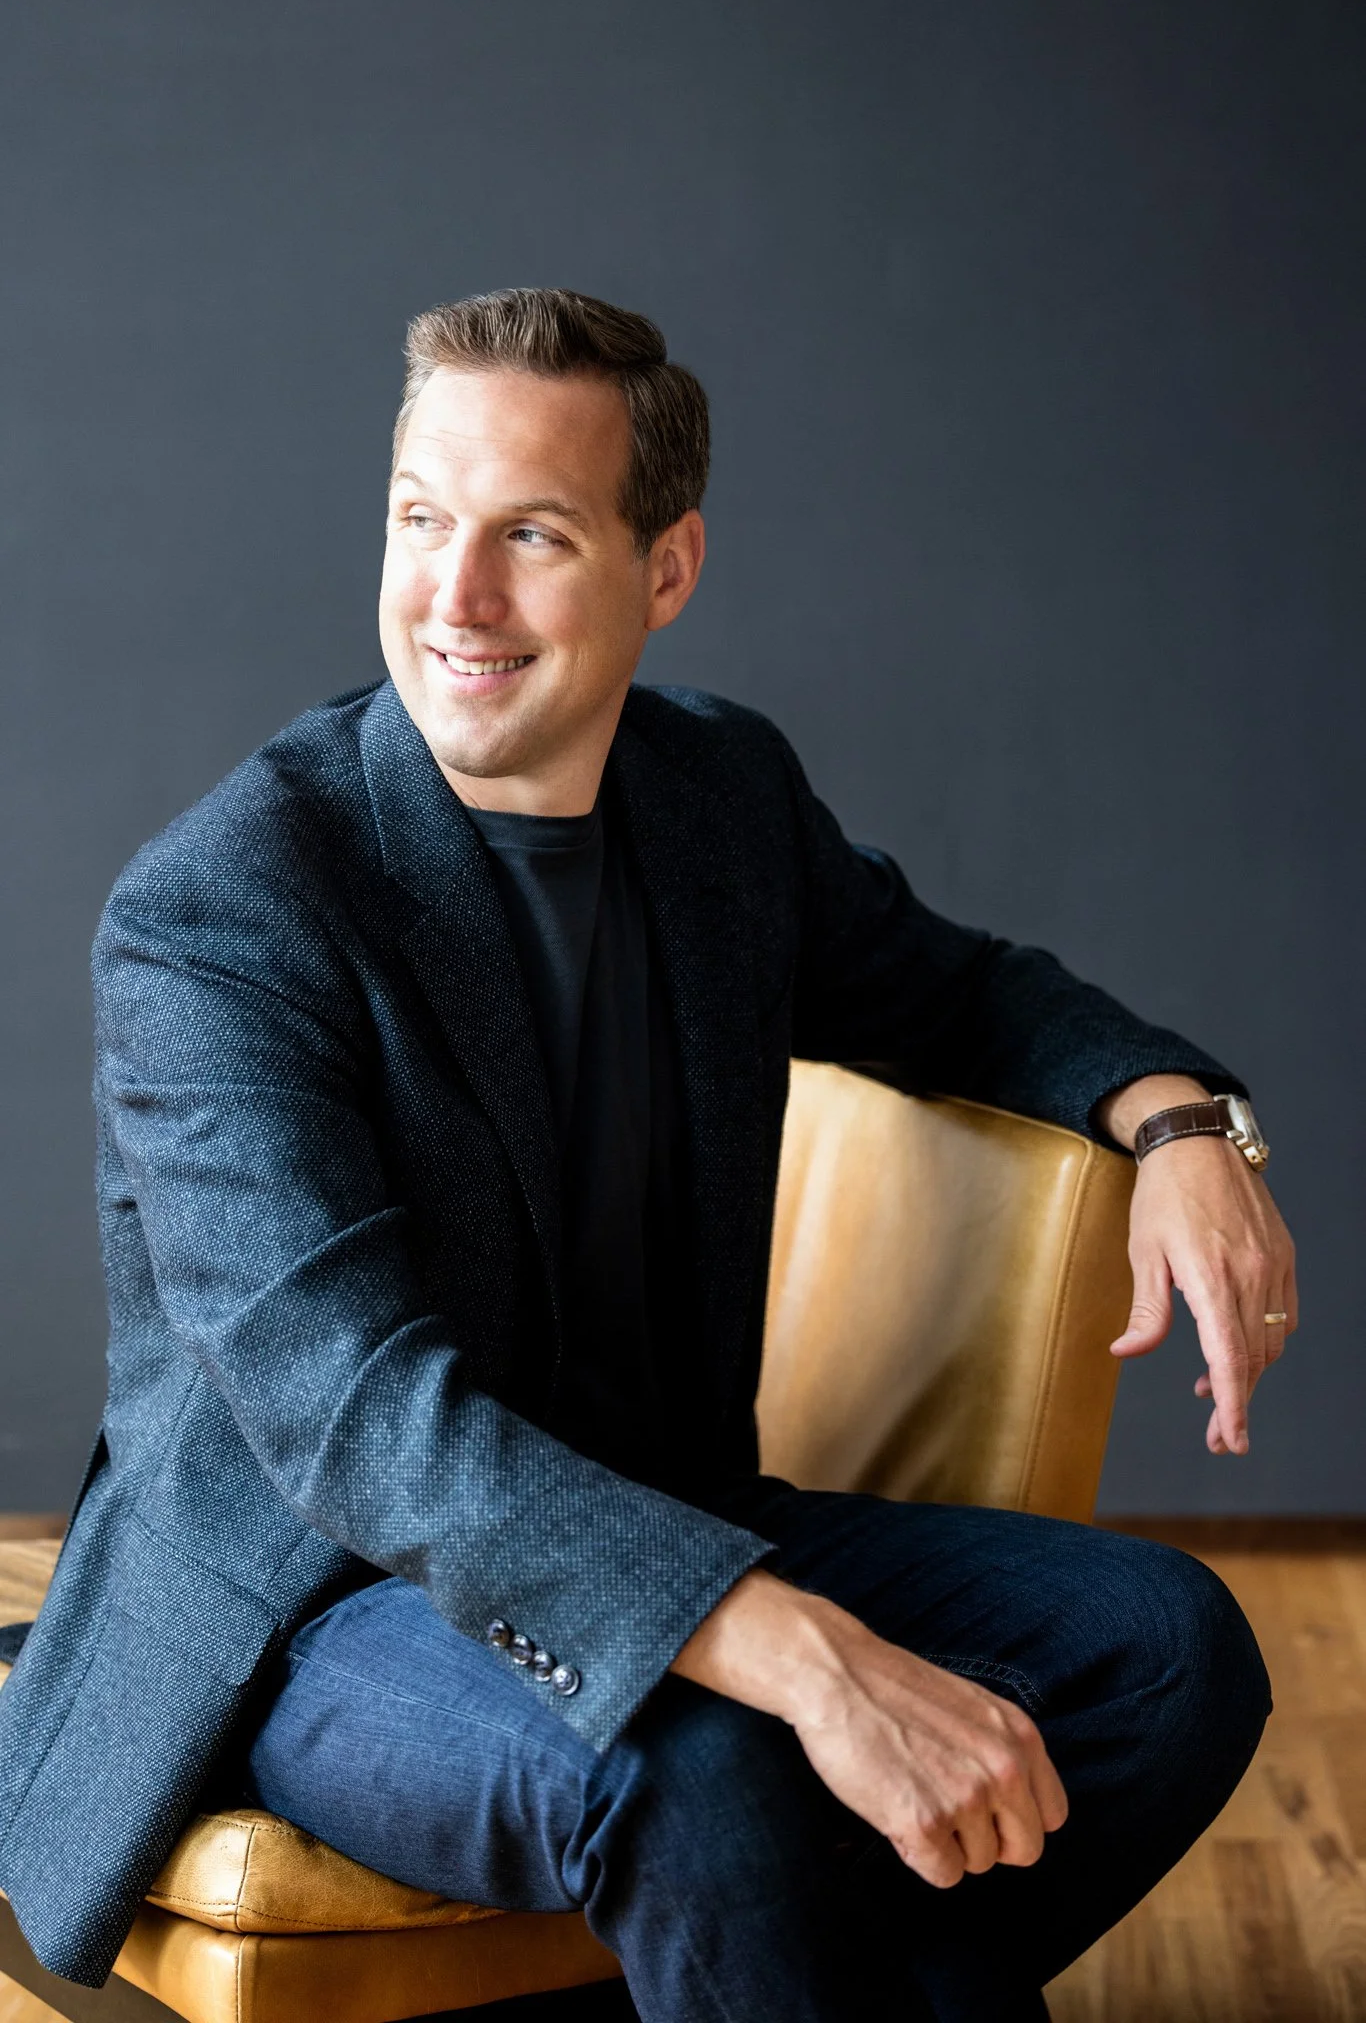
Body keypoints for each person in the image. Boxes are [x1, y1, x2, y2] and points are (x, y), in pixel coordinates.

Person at [0, 289, 1291, 2020]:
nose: (451, 599)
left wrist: (1180, 1124)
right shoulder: (228, 909)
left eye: (528, 535)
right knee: (704, 1767)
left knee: (1166, 1653)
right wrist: (796, 1650)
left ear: (663, 568)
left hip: (676, 1507)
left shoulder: (716, 798)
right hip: (327, 1599)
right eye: (418, 521)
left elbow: (967, 996)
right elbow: (353, 1414)